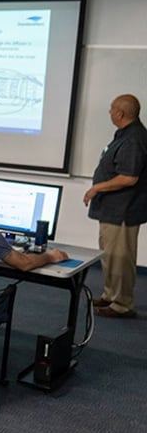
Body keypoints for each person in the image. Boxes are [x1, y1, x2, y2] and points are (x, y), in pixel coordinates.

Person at [83, 94, 147, 318]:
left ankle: (122, 304)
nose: (110, 112)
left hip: (123, 211)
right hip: (112, 209)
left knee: (120, 258)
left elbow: (129, 177)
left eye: (112, 109)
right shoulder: (125, 135)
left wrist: (97, 188)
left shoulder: (134, 139)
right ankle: (110, 295)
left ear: (121, 113)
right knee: (109, 255)